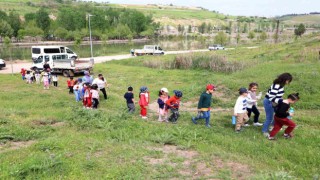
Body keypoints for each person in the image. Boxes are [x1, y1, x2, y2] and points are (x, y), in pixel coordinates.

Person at [263, 73, 293, 137]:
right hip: (269, 102)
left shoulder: (281, 85)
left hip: (275, 102)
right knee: (269, 118)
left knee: (278, 115)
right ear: (285, 79)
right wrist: (282, 101)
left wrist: (281, 100)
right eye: (288, 80)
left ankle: (272, 126)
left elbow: (277, 95)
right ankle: (264, 131)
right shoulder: (276, 86)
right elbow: (271, 97)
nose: (288, 82)